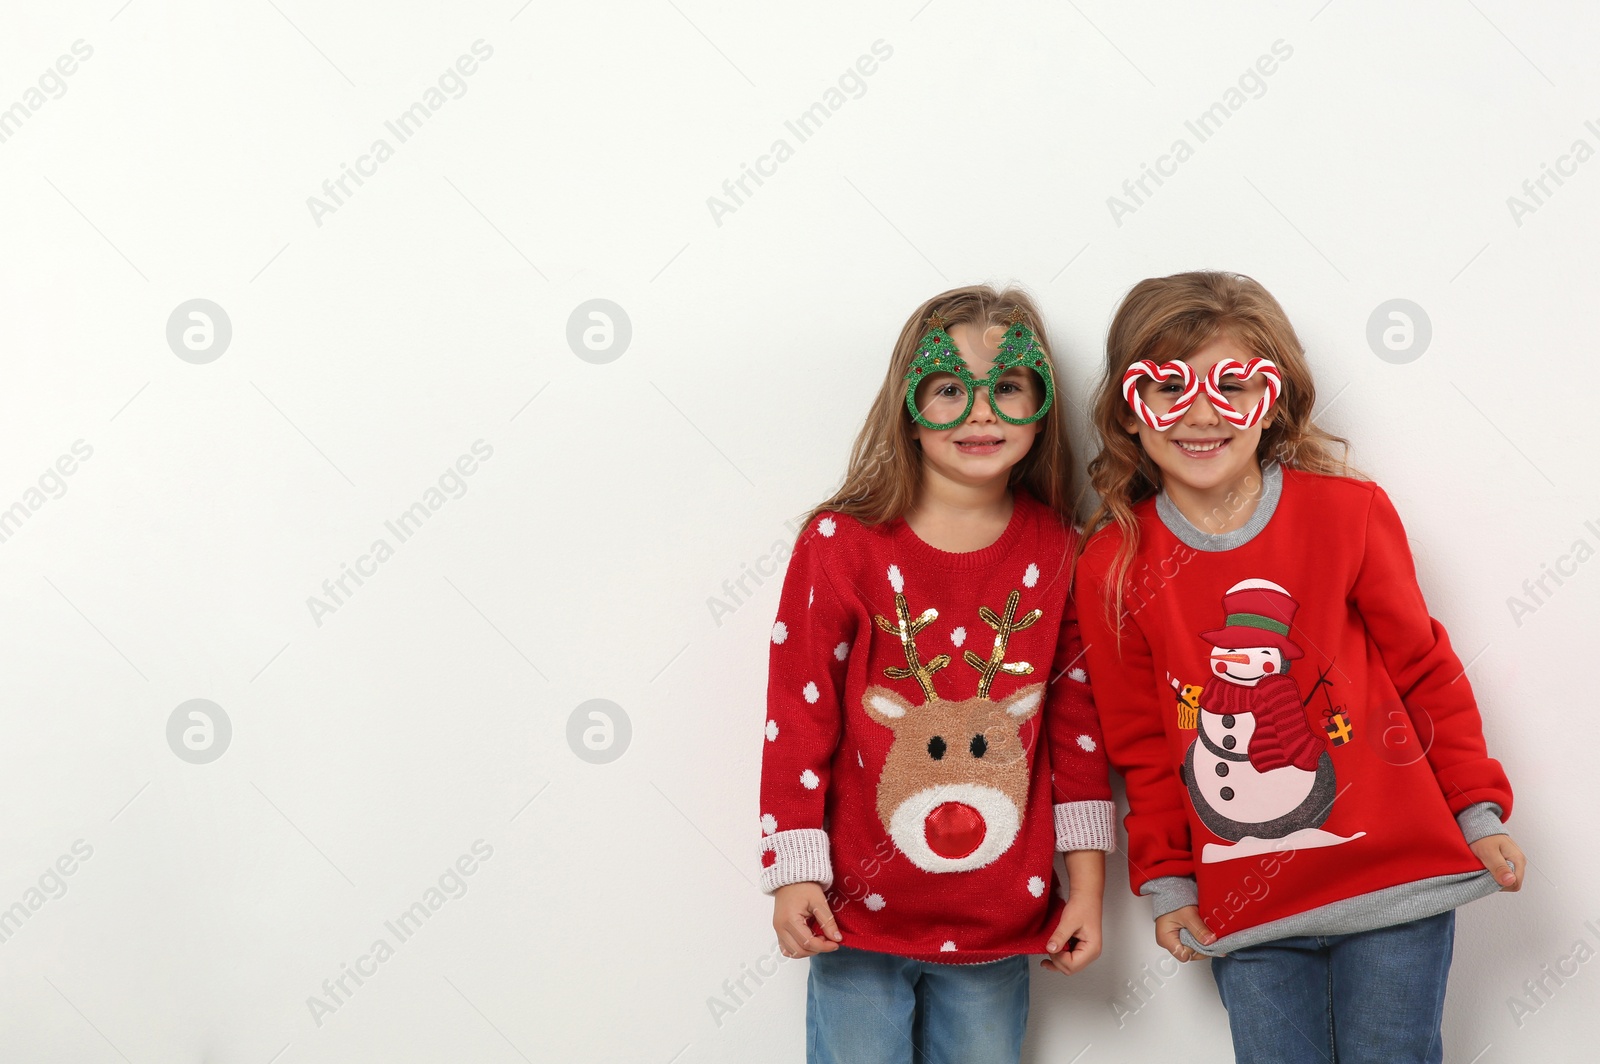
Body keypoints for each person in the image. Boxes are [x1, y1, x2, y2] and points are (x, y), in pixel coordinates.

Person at [1073, 270, 1525, 1063]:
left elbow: (1425, 669)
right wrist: (1169, 879)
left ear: (1275, 399)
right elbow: (1140, 740)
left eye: (1234, 385)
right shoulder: (1114, 561)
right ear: (1127, 410)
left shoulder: (1348, 515)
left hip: (1396, 886)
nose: (1203, 415)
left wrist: (1476, 810)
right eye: (1170, 388)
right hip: (1247, 903)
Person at [758, 285, 1115, 1064]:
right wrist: (792, 871)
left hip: (998, 924)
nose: (980, 413)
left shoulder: (1062, 550)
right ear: (910, 406)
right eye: (951, 389)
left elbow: (1077, 731)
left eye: (1007, 388)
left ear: (1041, 406)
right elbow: (799, 711)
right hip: (853, 916)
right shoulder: (841, 542)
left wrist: (1084, 884)